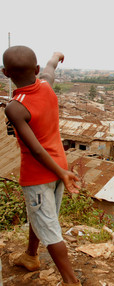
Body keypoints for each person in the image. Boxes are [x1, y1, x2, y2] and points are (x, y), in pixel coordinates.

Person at [2, 46, 81, 286]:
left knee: (47, 226)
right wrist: (56, 56)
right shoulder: (46, 86)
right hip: (59, 166)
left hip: (40, 174)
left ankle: (70, 281)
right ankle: (30, 256)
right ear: (35, 70)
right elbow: (50, 69)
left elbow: (36, 149)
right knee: (41, 216)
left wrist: (62, 174)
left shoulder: (15, 107)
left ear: (5, 73)